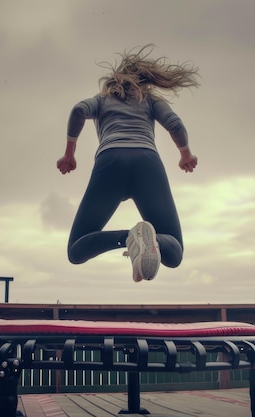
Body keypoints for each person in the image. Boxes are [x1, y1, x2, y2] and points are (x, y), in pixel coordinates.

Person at [57, 44, 199, 282]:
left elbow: (79, 110)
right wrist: (185, 154)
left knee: (76, 250)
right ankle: (150, 240)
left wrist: (69, 154)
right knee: (174, 253)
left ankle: (129, 237)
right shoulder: (150, 101)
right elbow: (174, 123)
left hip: (110, 163)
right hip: (147, 164)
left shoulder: (102, 100)